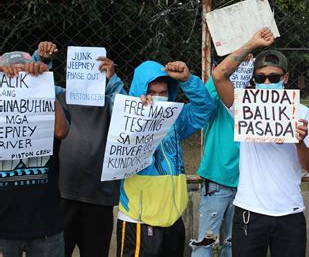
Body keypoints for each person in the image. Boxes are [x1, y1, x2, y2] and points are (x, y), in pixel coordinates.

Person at [212, 27, 309, 257]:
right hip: (250, 211)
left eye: (274, 77)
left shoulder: (301, 112)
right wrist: (252, 45)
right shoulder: (244, 107)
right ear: (254, 80)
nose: (268, 81)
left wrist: (299, 142)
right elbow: (219, 75)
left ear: (285, 78)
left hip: (290, 213)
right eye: (261, 78)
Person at [32, 42, 127, 257]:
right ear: (69, 74)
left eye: (94, 73)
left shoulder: (110, 102)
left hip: (99, 198)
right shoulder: (58, 96)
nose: (86, 79)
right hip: (62, 195)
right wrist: (41, 58)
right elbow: (32, 86)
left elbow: (124, 110)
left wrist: (112, 80)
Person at [117, 60, 215, 257]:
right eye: (153, 92)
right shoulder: (124, 119)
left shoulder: (176, 119)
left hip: (173, 219)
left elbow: (205, 109)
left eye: (163, 93)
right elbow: (112, 103)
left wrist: (187, 80)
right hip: (139, 221)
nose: (159, 97)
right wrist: (137, 111)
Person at [0, 51, 70, 257]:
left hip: (45, 224)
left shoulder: (48, 101)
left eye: (25, 72)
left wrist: (45, 87)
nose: (21, 79)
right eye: (13, 74)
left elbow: (61, 130)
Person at [190, 58, 254, 257]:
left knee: (235, 243)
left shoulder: (253, 98)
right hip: (218, 182)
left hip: (247, 184)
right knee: (205, 242)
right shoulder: (213, 96)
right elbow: (215, 83)